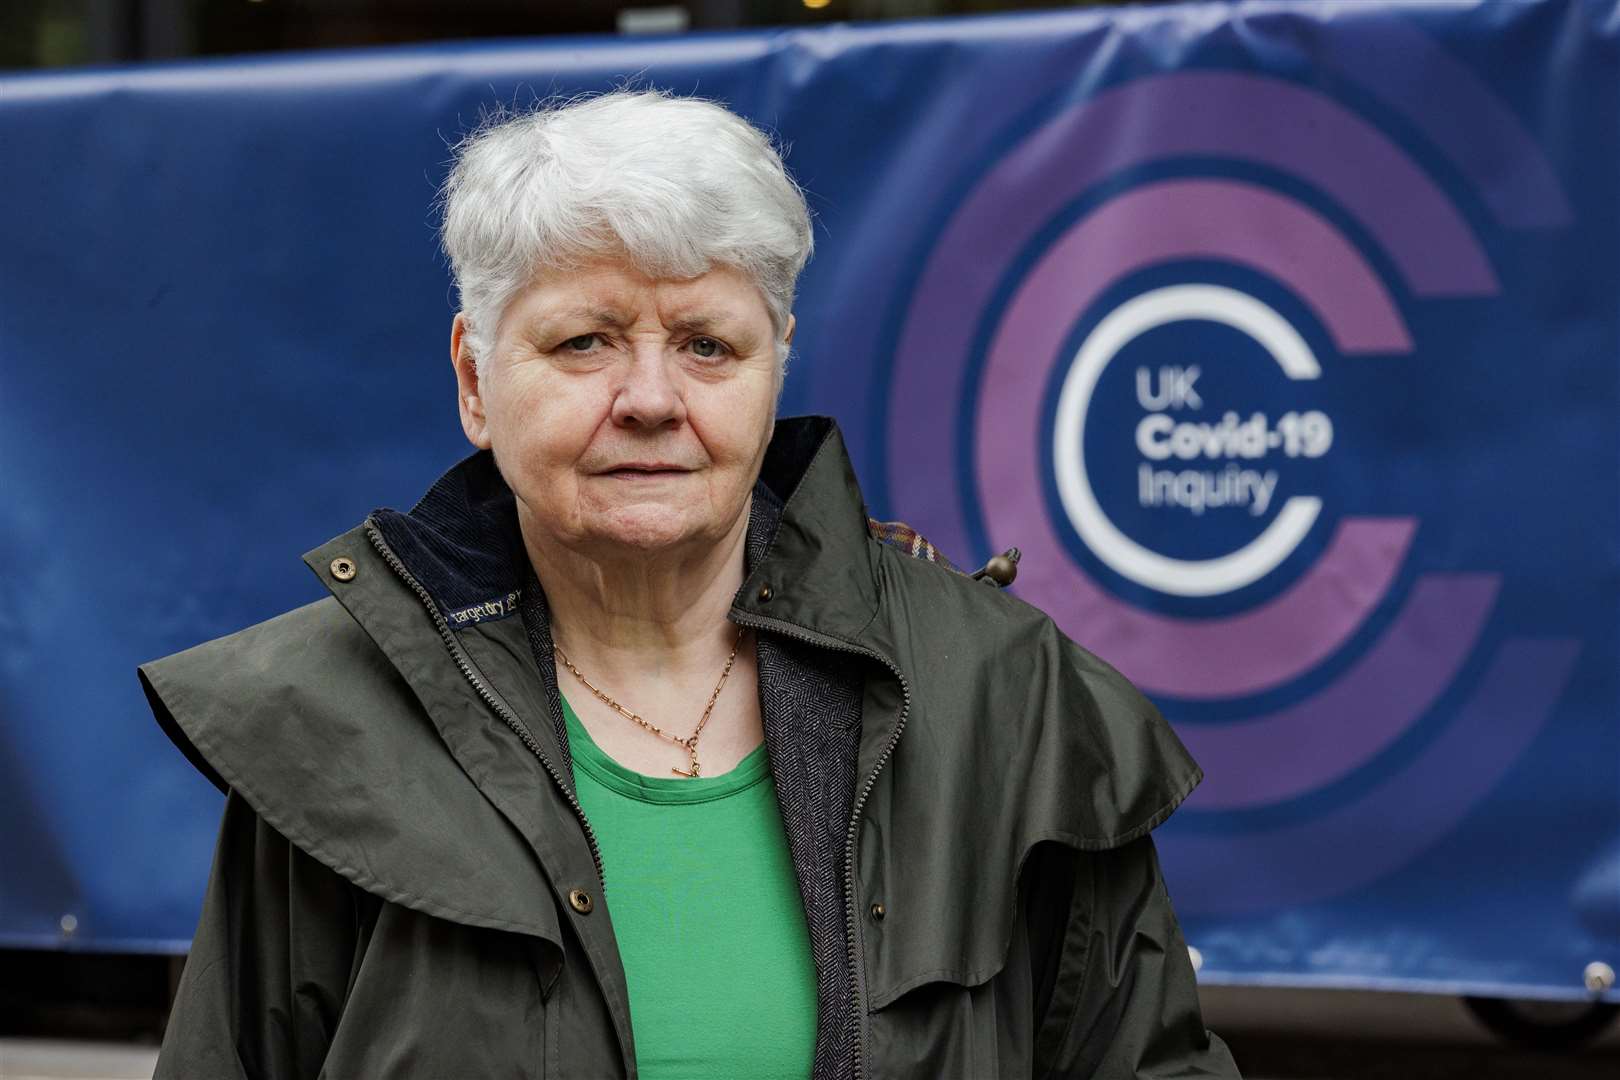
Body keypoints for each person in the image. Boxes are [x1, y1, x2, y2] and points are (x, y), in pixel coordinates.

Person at [140, 89, 1239, 1079]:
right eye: (585, 342)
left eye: (709, 346)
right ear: (476, 380)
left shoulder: (999, 691)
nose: (652, 398)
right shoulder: (333, 719)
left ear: (777, 365)